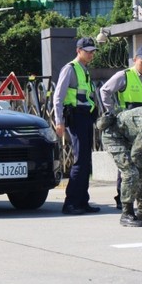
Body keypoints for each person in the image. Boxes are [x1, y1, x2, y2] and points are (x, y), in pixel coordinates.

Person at [99, 46, 142, 210]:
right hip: (129, 126)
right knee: (129, 162)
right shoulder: (124, 75)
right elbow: (104, 90)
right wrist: (111, 111)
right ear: (135, 60)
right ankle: (122, 197)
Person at [52, 37, 101, 215]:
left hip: (85, 117)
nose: (91, 54)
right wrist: (59, 121)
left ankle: (82, 201)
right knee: (80, 160)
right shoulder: (70, 69)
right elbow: (58, 97)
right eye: (87, 51)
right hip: (75, 117)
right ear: (78, 50)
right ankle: (71, 203)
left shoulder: (84, 70)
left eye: (92, 51)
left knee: (86, 160)